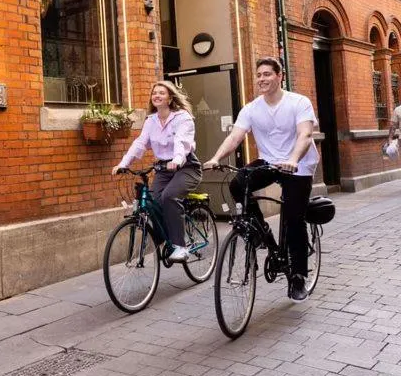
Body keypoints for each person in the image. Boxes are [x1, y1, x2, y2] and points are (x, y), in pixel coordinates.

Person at [203, 57, 318, 302]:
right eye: (259, 75)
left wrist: (294, 159)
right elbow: (235, 137)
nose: (262, 79)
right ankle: (260, 231)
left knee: (294, 220)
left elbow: (305, 135)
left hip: (298, 165)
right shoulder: (252, 108)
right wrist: (215, 157)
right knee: (238, 183)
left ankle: (298, 277)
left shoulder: (299, 102)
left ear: (280, 76)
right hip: (269, 162)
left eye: (267, 74)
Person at [112, 81, 202, 262]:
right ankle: (165, 238)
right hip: (163, 169)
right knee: (152, 201)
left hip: (186, 167)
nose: (157, 96)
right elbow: (140, 143)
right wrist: (123, 163)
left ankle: (180, 246)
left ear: (170, 98)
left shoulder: (182, 117)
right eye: (155, 93)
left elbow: (181, 141)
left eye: (162, 93)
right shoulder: (151, 121)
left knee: (169, 196)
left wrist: (177, 159)